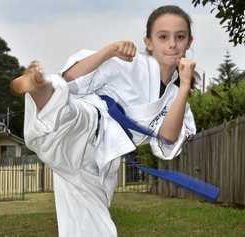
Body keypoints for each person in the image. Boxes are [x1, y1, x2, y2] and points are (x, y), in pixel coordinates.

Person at [11, 5, 197, 237]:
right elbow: (71, 78)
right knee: (71, 112)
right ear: (149, 42)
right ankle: (40, 88)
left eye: (180, 37)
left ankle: (42, 90)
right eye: (163, 37)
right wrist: (108, 51)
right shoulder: (128, 62)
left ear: (189, 42)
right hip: (92, 124)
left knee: (95, 228)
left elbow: (167, 138)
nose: (172, 44)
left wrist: (185, 86)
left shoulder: (177, 98)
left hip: (102, 162)